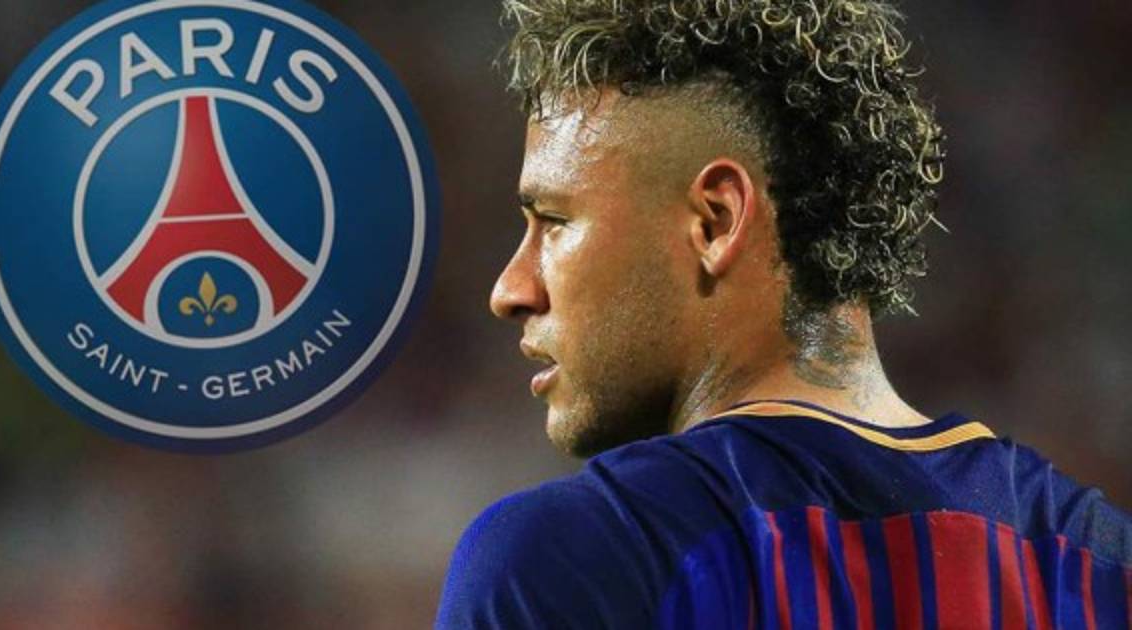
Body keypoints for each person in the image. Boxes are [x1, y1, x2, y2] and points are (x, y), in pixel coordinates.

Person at [437, 0, 1132, 627]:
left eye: (554, 221)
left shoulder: (568, 561)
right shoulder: (1100, 564)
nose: (511, 289)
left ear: (716, 221)